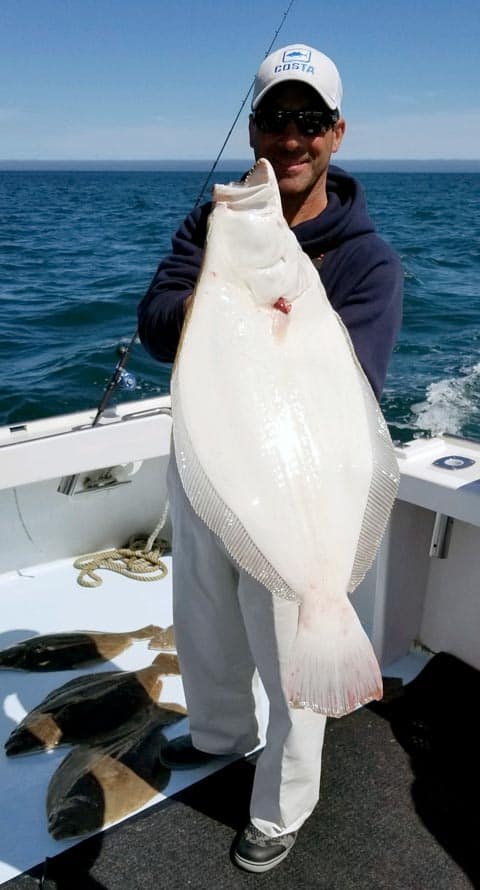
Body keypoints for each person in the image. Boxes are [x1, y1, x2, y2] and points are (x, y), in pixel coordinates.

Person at [138, 43, 403, 874]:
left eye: (310, 121)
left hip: (297, 482)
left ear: (337, 133)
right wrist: (213, 300)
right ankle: (219, 734)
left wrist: (257, 314)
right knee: (204, 612)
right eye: (276, 119)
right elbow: (156, 320)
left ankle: (285, 804)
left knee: (290, 639)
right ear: (254, 126)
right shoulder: (219, 219)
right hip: (211, 456)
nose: (291, 139)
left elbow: (345, 394)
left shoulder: (368, 261)